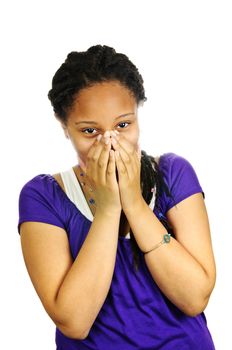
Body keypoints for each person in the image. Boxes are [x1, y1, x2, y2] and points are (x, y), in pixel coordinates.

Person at [17, 44, 216, 349]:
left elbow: (194, 298)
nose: (110, 143)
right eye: (89, 131)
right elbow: (74, 321)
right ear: (64, 127)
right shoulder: (43, 196)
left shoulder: (173, 174)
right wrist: (109, 210)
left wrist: (134, 204)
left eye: (123, 125)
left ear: (138, 115)